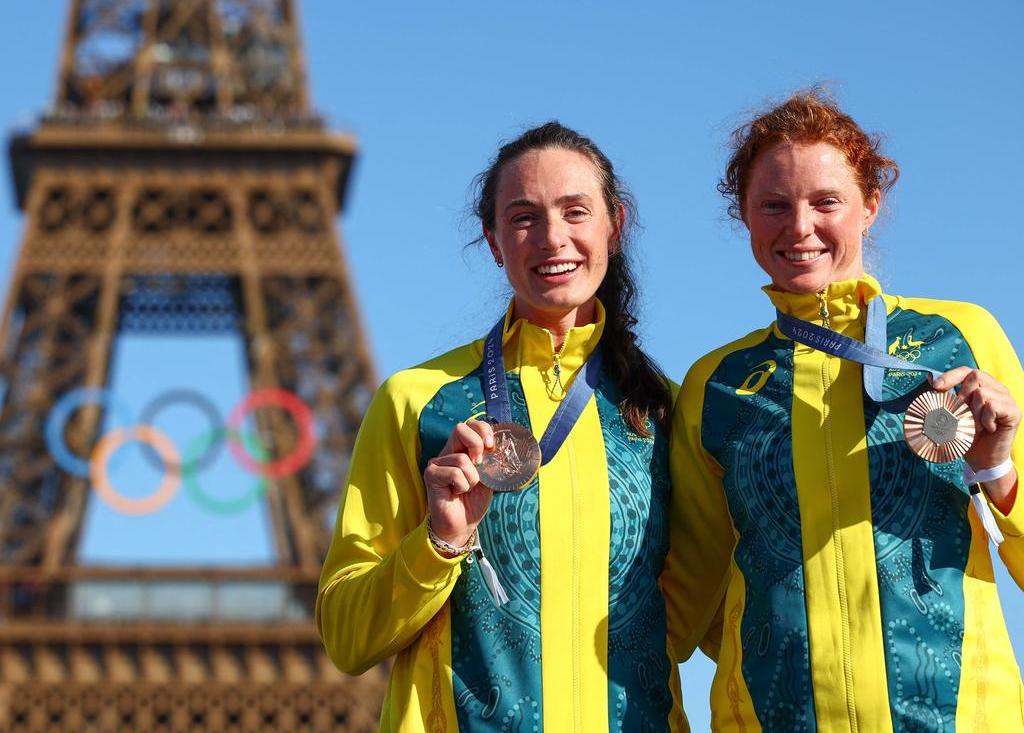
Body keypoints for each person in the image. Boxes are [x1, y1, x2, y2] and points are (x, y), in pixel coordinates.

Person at [318, 122, 694, 731]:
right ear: (493, 241)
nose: (552, 238)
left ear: (613, 226)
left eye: (576, 211)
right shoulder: (417, 402)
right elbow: (346, 636)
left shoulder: (665, 411)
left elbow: (701, 607)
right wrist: (439, 543)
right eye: (523, 218)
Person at [670, 89, 1024, 731]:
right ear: (744, 217)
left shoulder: (964, 338)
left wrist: (998, 474)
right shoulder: (716, 385)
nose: (798, 226)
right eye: (773, 205)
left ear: (871, 207)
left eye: (825, 202)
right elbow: (688, 597)